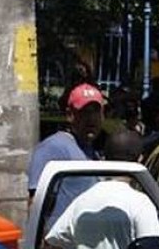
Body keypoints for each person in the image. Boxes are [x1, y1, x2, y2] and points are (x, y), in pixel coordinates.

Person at [41, 130, 159, 249]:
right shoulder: (140, 203)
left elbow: (51, 244)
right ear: (141, 160)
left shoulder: (82, 200)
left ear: (104, 159)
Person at [27, 82, 104, 211]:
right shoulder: (53, 148)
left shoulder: (91, 152)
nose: (92, 118)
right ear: (70, 115)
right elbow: (36, 202)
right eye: (85, 112)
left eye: (96, 112)